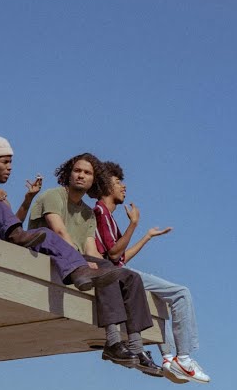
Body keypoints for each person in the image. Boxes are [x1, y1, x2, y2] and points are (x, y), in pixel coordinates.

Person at [23, 153, 164, 377]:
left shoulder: (88, 214)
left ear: (94, 180)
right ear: (68, 174)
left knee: (127, 276)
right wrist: (86, 262)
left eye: (87, 173)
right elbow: (59, 232)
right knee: (104, 274)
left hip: (77, 260)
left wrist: (105, 266)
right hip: (50, 254)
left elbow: (91, 250)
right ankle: (113, 341)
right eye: (77, 171)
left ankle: (137, 348)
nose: (81, 176)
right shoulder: (53, 195)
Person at [0, 135, 126, 296]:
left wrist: (28, 199)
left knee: (46, 234)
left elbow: (9, 226)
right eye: (5, 162)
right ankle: (19, 235)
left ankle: (79, 271)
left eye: (11, 162)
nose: (10, 167)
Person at [89, 161, 211, 385]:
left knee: (158, 298)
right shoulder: (100, 212)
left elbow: (120, 257)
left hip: (120, 271)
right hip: (115, 274)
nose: (124, 187)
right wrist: (133, 225)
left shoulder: (107, 216)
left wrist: (146, 237)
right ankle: (183, 358)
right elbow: (114, 255)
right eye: (118, 182)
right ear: (105, 185)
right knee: (181, 293)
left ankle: (168, 358)